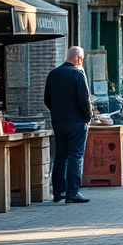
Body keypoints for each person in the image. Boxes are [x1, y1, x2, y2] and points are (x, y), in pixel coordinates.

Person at [44, 46, 93, 203]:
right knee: (75, 155)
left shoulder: (53, 74)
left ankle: (58, 192)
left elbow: (47, 99)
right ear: (78, 59)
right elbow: (84, 100)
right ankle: (73, 192)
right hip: (77, 122)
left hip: (58, 122)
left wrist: (56, 113)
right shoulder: (78, 74)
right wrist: (88, 117)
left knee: (60, 155)